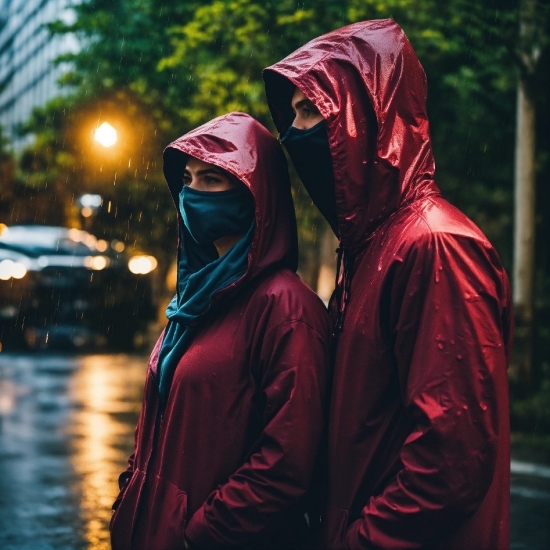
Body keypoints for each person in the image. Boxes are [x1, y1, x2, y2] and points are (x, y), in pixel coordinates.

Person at [264, 18, 513, 550]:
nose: (294, 132)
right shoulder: (371, 249)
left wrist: (361, 541)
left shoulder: (434, 245)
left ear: (365, 113)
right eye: (292, 116)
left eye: (311, 110)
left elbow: (451, 463)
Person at [109, 112, 331, 550]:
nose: (192, 194)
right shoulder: (195, 301)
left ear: (254, 193)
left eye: (212, 180)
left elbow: (287, 459)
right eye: (188, 180)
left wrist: (202, 534)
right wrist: (129, 498)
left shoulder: (285, 307)